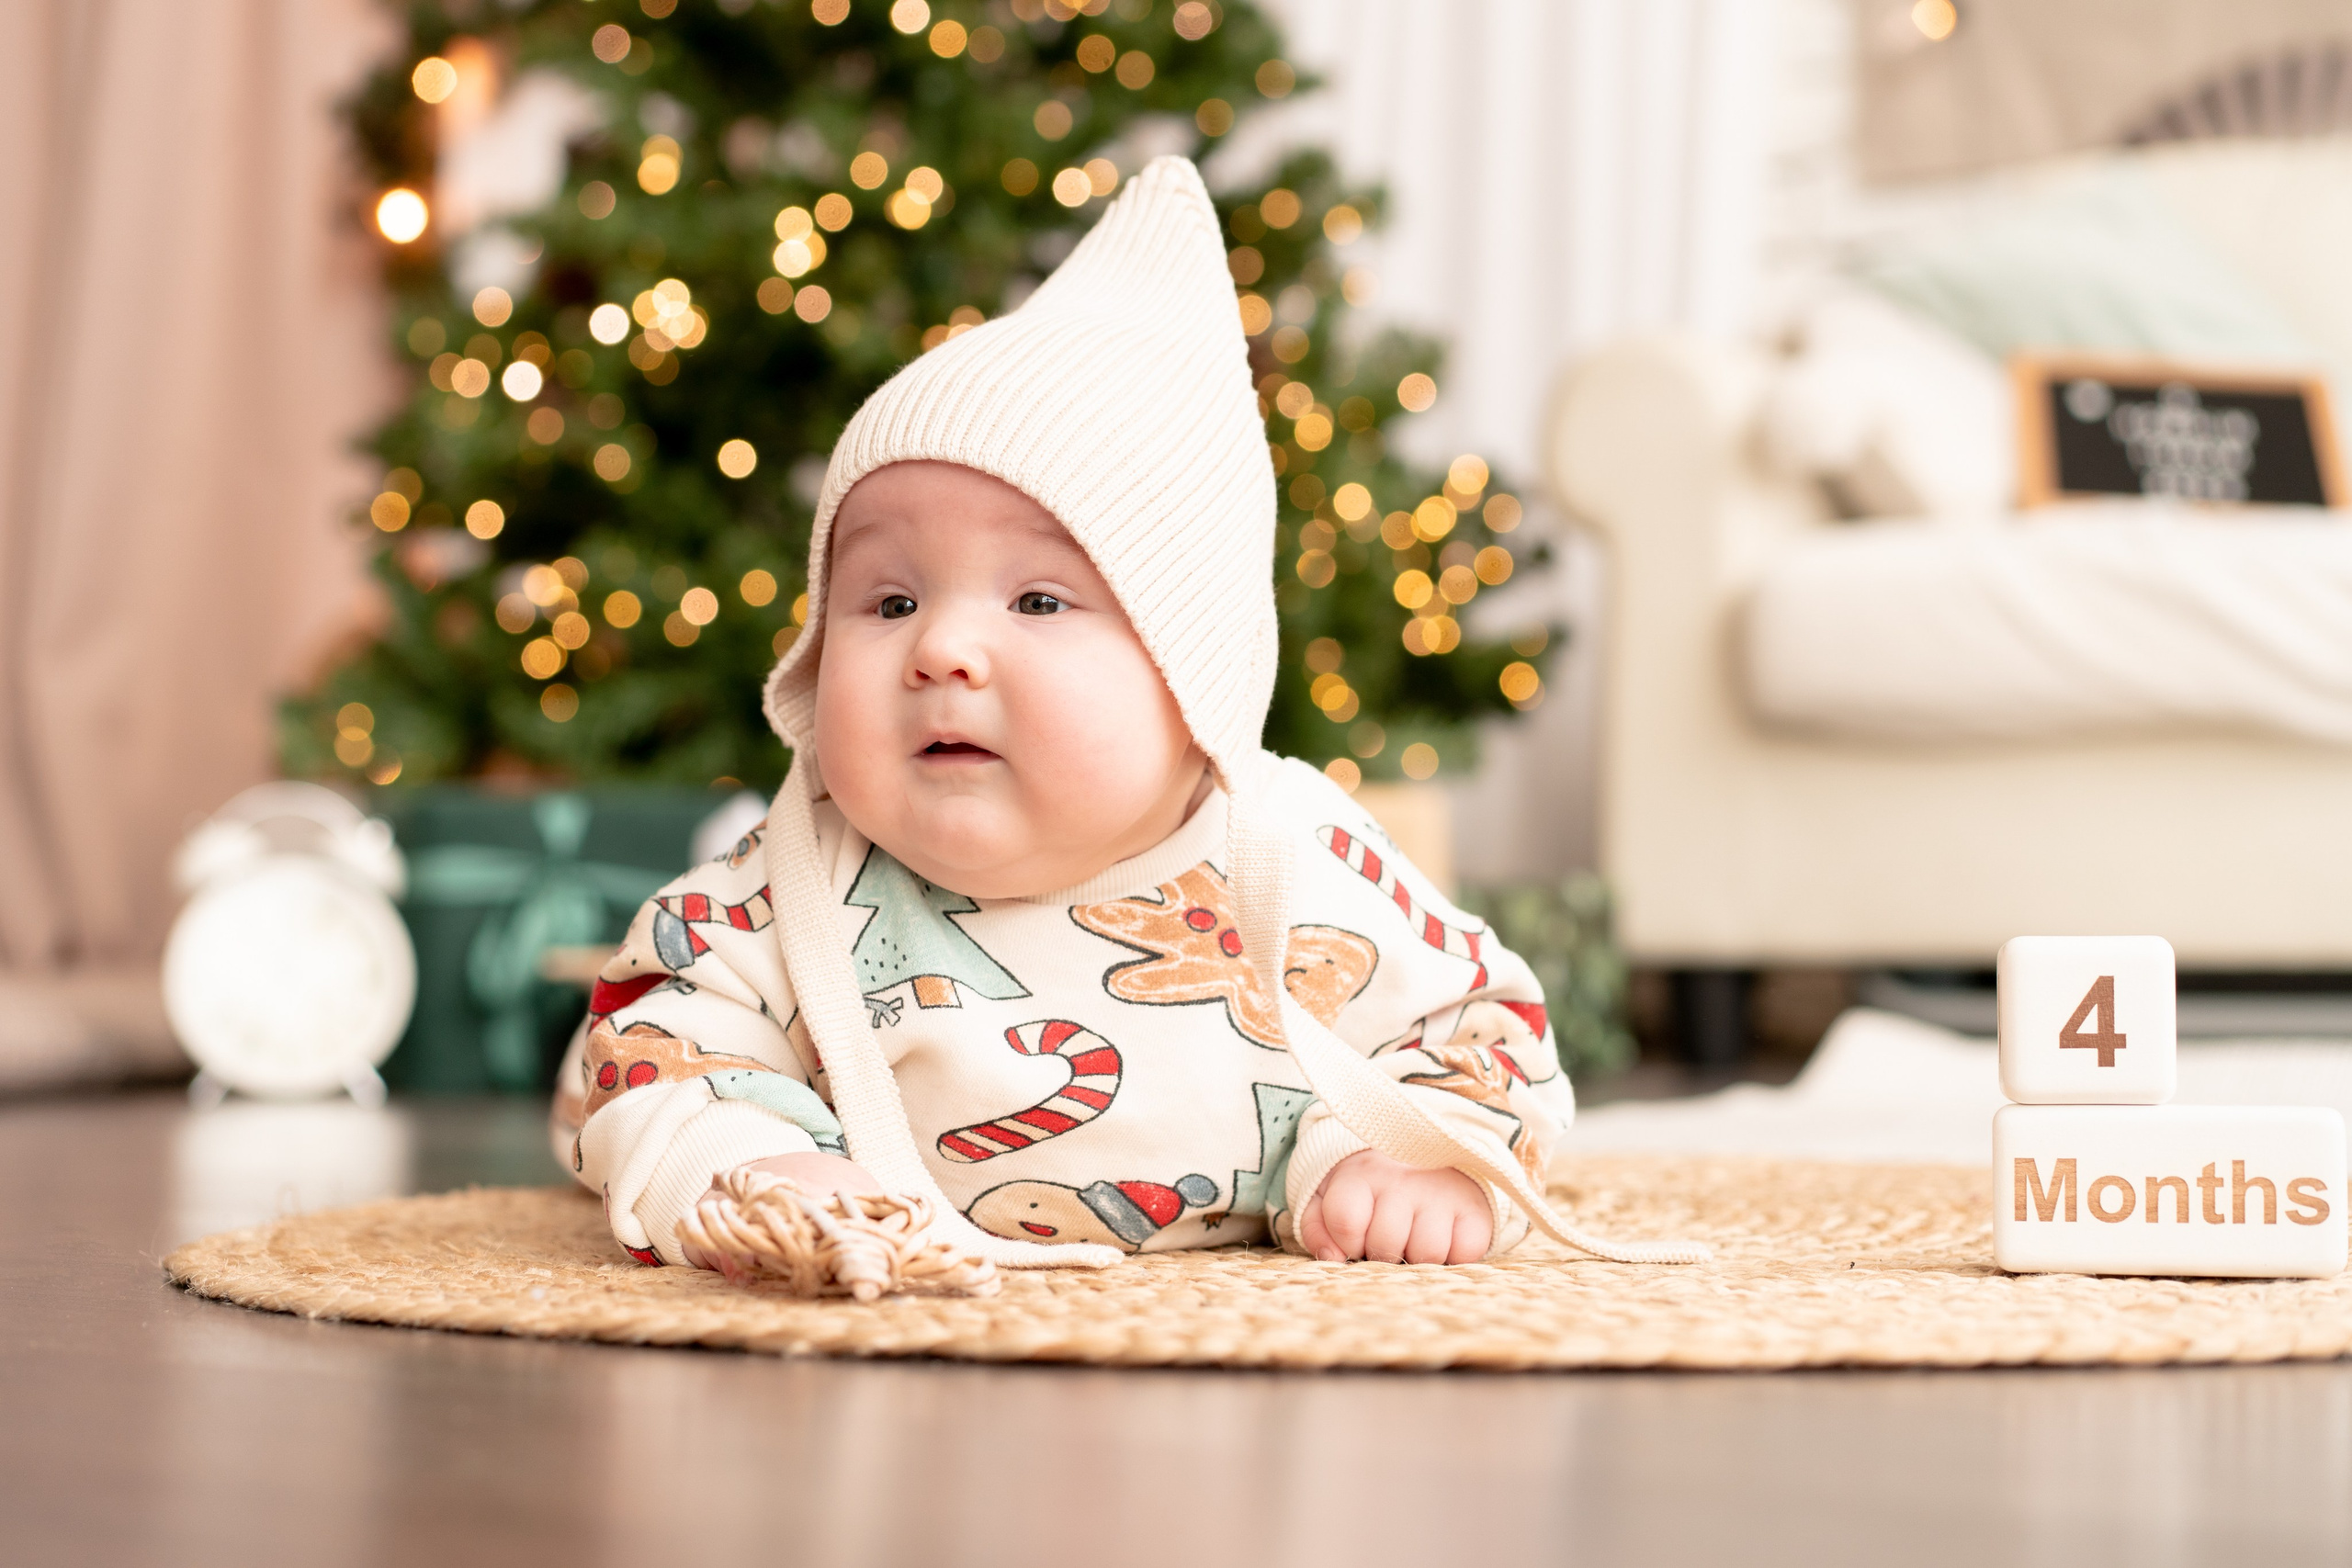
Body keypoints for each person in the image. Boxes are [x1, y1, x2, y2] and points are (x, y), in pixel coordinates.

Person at [551, 157, 1694, 1276]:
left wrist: (1400, 1159)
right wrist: (750, 1165)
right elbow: (653, 1039)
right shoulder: (790, 879)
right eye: (889, 599)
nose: (940, 648)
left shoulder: (1298, 860)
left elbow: (1477, 1029)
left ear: (1192, 669)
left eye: (1039, 599)